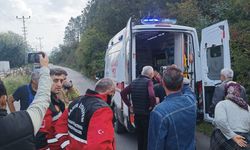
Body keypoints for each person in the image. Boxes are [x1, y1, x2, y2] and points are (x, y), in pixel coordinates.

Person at [0, 53, 52, 149]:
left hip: (36, 129)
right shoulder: (23, 89)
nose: (40, 81)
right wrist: (15, 116)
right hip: (27, 124)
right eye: (39, 79)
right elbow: (43, 96)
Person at [54, 78, 116, 149]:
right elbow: (98, 146)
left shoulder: (76, 101)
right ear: (111, 92)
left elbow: (59, 127)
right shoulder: (102, 110)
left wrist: (67, 146)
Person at [148, 65, 196, 150]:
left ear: (163, 83)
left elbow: (155, 146)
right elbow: (188, 89)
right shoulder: (191, 101)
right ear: (181, 83)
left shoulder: (159, 112)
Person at [121, 66, 156, 150]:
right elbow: (151, 95)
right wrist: (152, 105)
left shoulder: (134, 82)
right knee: (147, 138)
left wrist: (129, 105)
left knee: (140, 137)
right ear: (151, 74)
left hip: (137, 115)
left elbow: (122, 93)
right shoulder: (149, 82)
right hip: (146, 115)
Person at [210, 81, 250, 150]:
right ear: (239, 92)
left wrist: (233, 135)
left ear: (226, 91)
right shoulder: (247, 107)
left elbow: (220, 121)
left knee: (216, 132)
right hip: (244, 139)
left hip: (225, 138)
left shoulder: (222, 104)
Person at [35, 68, 67, 149]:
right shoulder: (44, 105)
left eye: (61, 80)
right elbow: (39, 138)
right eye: (55, 80)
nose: (59, 84)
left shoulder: (58, 102)